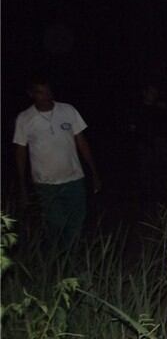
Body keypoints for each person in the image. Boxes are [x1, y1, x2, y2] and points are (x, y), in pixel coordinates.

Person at [13, 76, 101, 244]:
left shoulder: (68, 110)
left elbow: (82, 142)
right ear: (31, 94)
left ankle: (71, 259)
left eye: (48, 91)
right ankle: (58, 259)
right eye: (40, 92)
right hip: (45, 183)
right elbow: (20, 152)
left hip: (74, 178)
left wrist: (94, 172)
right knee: (56, 224)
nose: (46, 96)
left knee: (77, 222)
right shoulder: (24, 119)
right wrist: (22, 185)